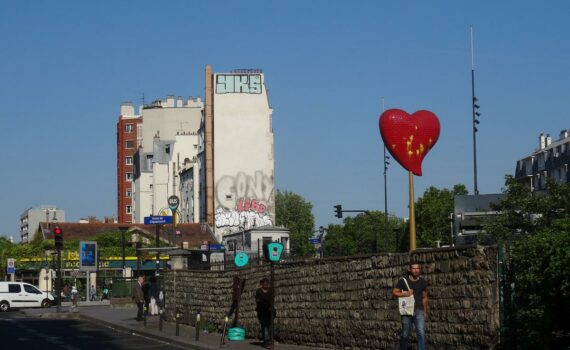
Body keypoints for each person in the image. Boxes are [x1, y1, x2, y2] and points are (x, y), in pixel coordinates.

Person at [392, 262, 428, 350]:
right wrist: (406, 294)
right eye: (414, 268)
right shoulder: (403, 281)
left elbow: (424, 297)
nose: (416, 270)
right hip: (407, 312)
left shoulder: (422, 282)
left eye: (417, 268)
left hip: (419, 310)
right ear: (410, 270)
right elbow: (394, 292)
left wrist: (425, 311)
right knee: (405, 334)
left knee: (421, 333)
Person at [255, 277, 274, 349]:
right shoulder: (258, 291)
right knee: (264, 326)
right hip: (262, 311)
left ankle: (268, 340)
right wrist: (262, 303)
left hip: (269, 311)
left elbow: (271, 301)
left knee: (269, 326)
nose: (266, 285)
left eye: (267, 284)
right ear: (262, 284)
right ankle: (266, 341)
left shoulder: (270, 291)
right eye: (264, 283)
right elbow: (258, 301)